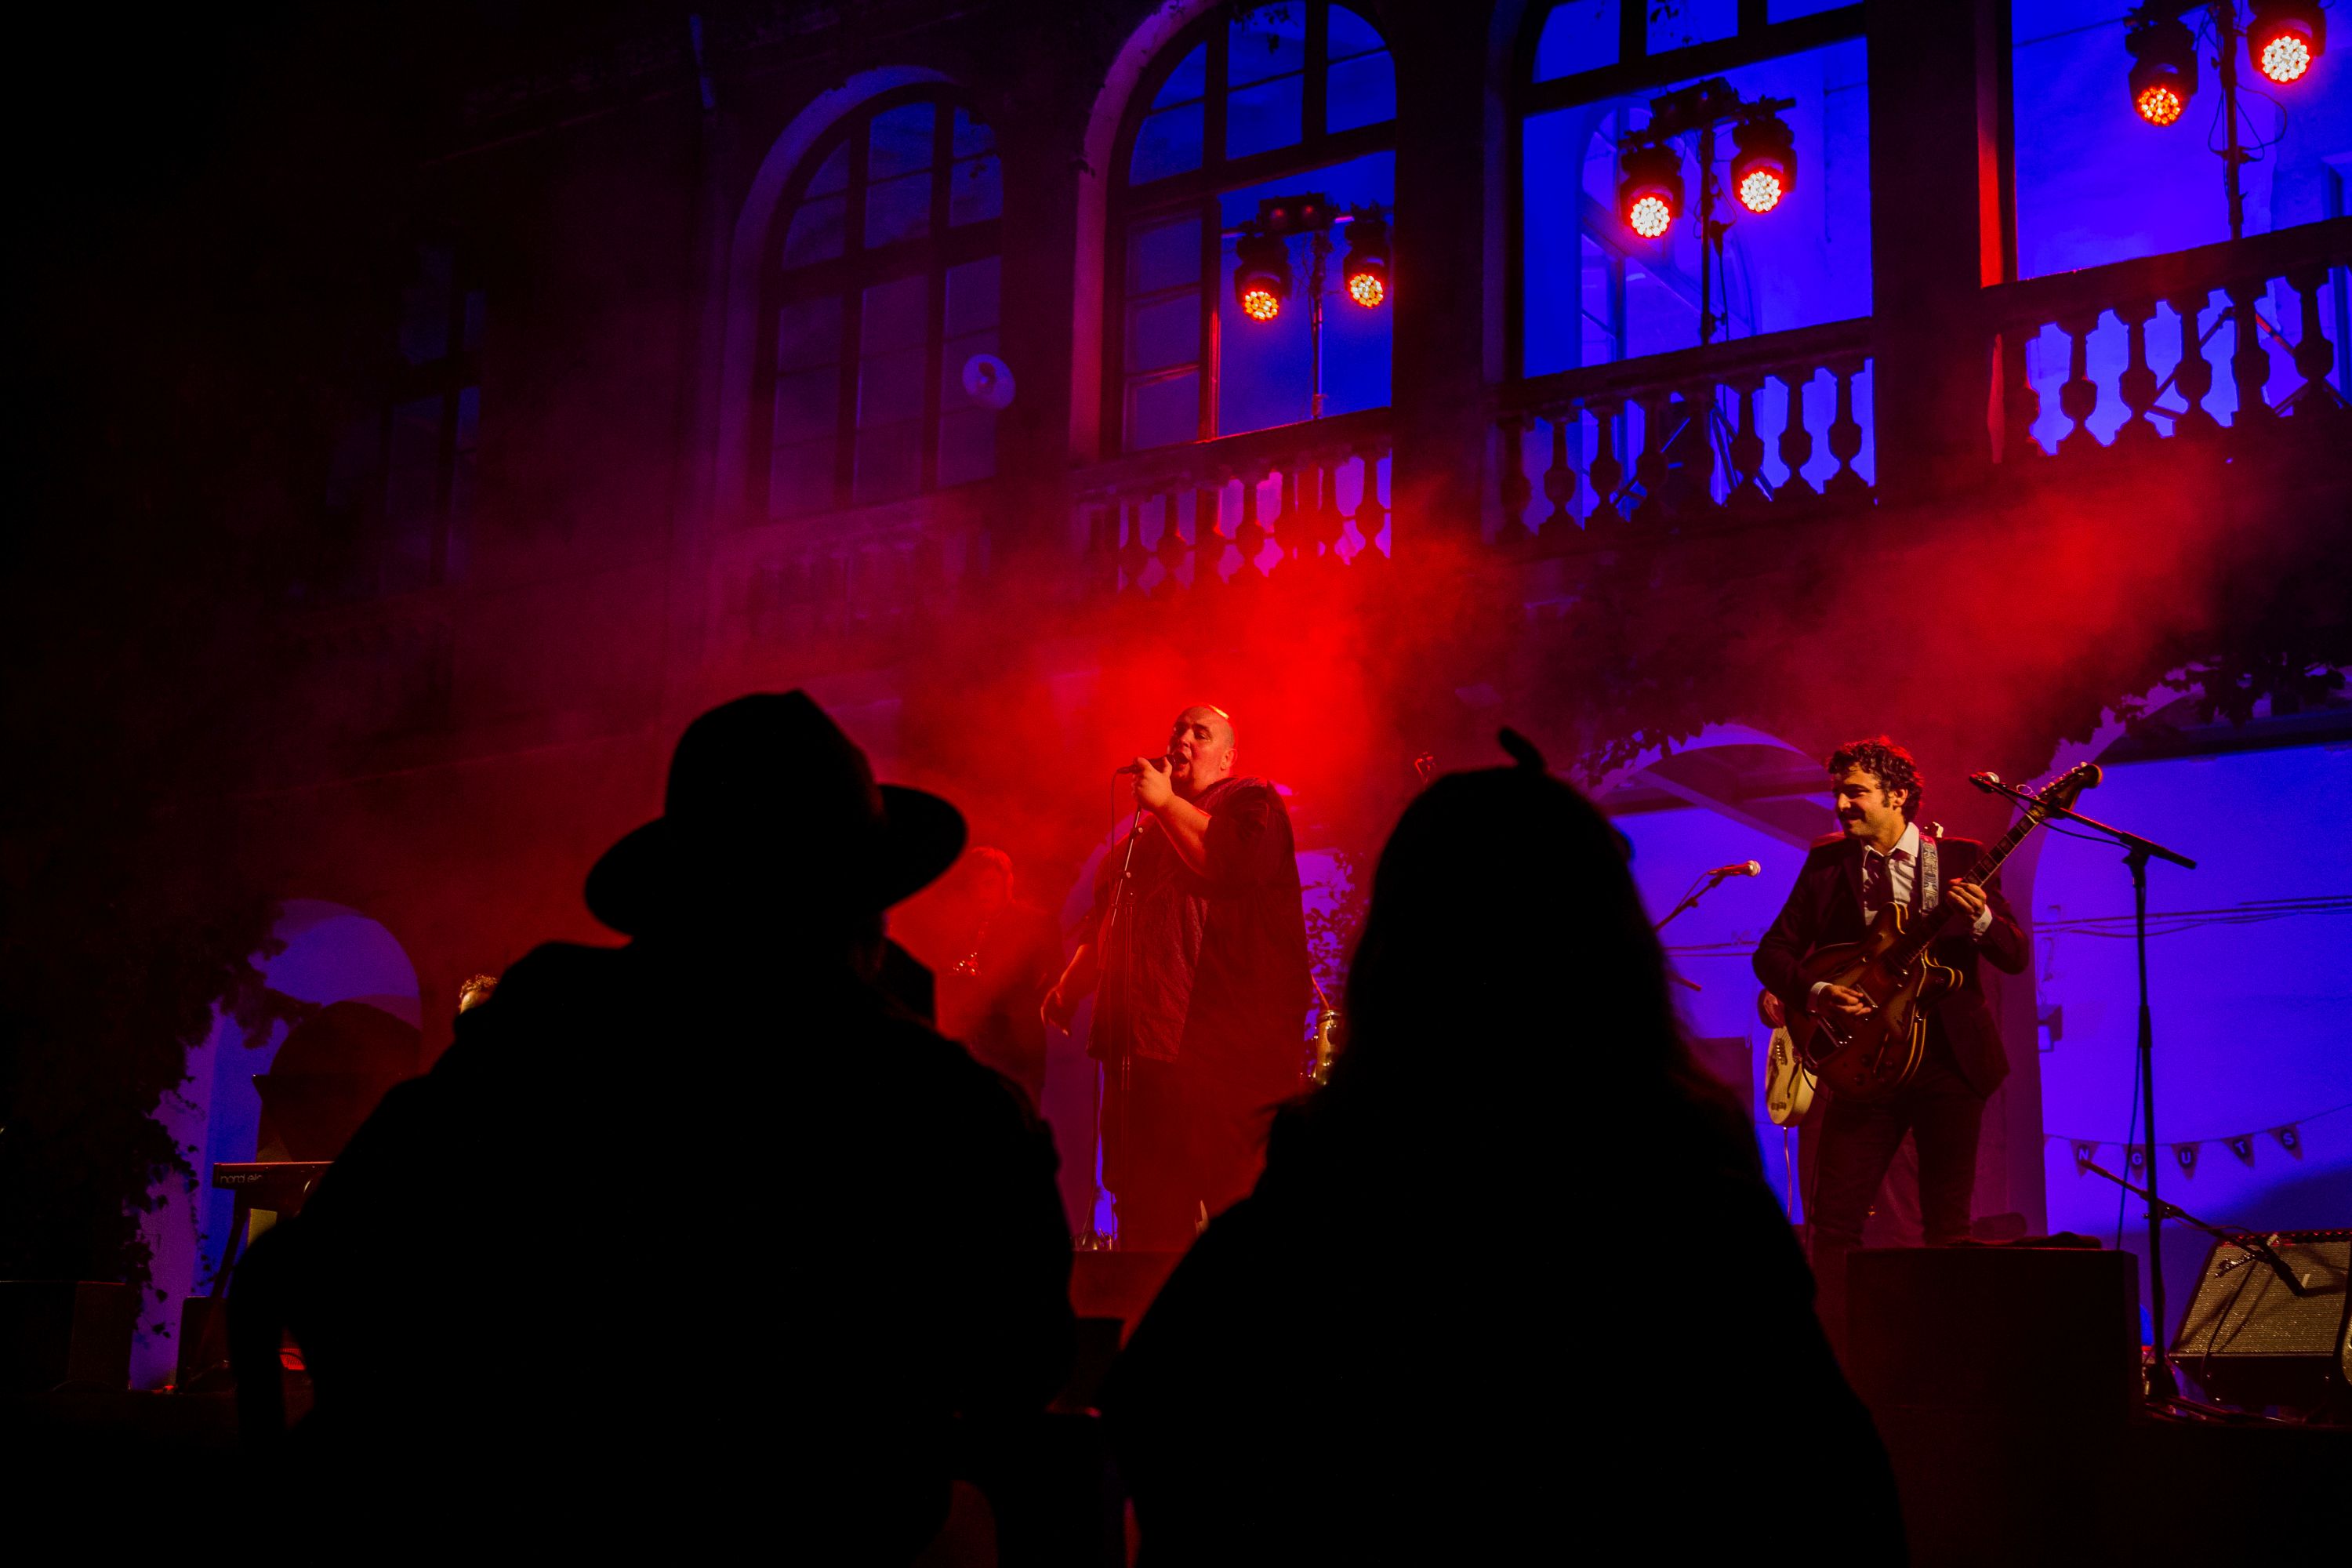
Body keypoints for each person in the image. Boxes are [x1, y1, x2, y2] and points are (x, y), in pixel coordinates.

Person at [271, 692, 1076, 1553]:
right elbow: (1022, 1361)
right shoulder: (931, 1100)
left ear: (674, 893)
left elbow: (330, 1264)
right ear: (861, 910)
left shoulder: (535, 1039)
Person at [1099, 731, 1900, 1563]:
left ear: (1396, 960)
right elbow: (1838, 1489)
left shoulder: (1332, 1183)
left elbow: (1154, 1404)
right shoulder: (1692, 1190)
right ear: (1611, 954)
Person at [1753, 735, 2028, 1348]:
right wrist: (1821, 991)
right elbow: (1772, 953)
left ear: (1898, 796)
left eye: (1855, 793)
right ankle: (1836, 1356)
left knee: (1947, 1226)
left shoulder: (1960, 856)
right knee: (1835, 1223)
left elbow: (2013, 954)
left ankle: (1949, 1358)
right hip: (1863, 1063)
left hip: (1948, 1062)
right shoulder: (1828, 865)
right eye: (1838, 793)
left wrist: (1980, 918)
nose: (1842, 805)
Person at [1044, 705, 1309, 1250]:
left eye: (1200, 733)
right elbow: (1105, 925)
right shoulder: (1136, 843)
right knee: (1146, 1216)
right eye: (1177, 731)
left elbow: (1229, 864)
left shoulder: (1251, 801)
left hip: (1224, 1061)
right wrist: (1069, 988)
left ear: (1228, 757)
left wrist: (1163, 803)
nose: (1183, 739)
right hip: (1142, 1067)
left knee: (1242, 1209)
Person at [925, 847, 1060, 1105]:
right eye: (976, 886)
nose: (982, 893)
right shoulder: (965, 926)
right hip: (970, 1045)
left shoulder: (1036, 923)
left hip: (1016, 1048)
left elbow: (1055, 977)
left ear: (1009, 882)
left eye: (989, 884)